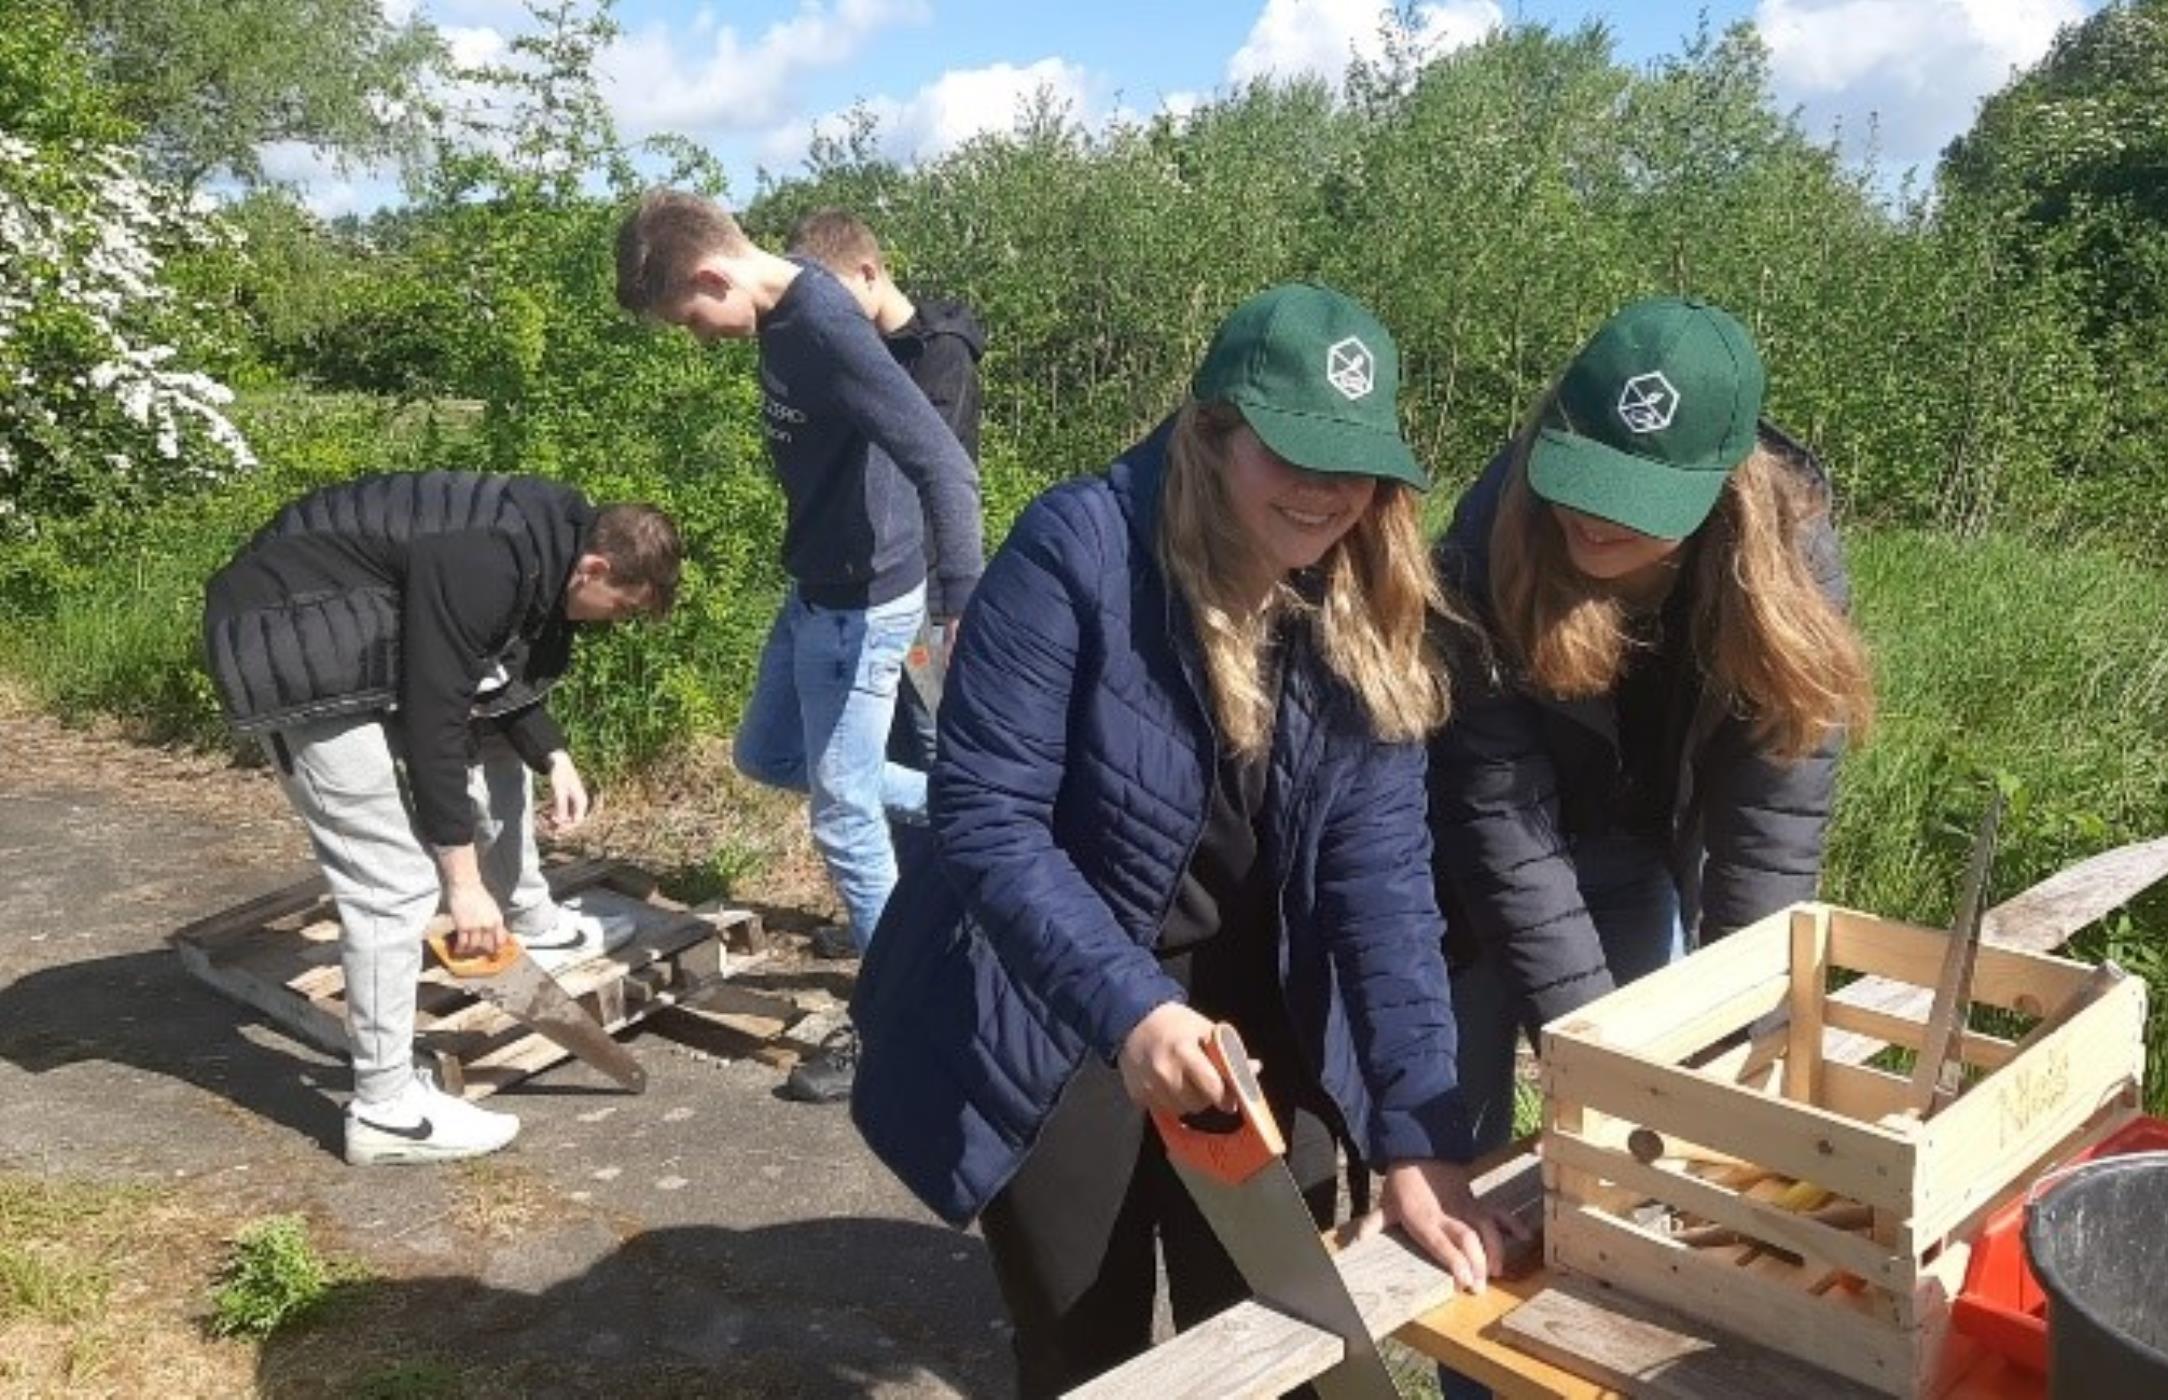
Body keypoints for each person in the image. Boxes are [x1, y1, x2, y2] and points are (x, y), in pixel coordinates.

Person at [849, 284, 1510, 1396]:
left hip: (1258, 1017)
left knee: (1276, 1335)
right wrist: (1130, 1008)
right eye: (1288, 452)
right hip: (1058, 1002)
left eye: (1350, 462)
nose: (1321, 492)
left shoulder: (1365, 598)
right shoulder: (1078, 547)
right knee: (1083, 1343)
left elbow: (1383, 887)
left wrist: (1417, 1133)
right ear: (1209, 433)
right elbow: (984, 813)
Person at [1429, 297, 1876, 1155]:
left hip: (1640, 852)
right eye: (1581, 479)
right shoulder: (1491, 541)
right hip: (1468, 874)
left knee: (1664, 1112)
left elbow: (1768, 835)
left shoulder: (1792, 568)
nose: (1592, 518)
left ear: (1724, 487)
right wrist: (1596, 1063)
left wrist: (1751, 1028)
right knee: (1471, 1144)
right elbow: (1498, 818)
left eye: (1636, 498)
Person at [201, 470, 680, 1166]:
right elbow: (435, 715)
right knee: (392, 883)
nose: (616, 621)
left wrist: (553, 754)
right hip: (289, 636)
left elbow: (478, 666)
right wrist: (461, 882)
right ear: (597, 566)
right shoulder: (489, 556)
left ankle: (530, 921)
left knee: (492, 753)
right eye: (621, 606)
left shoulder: (541, 541)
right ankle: (386, 1112)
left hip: (347, 622)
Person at [612, 190, 983, 979]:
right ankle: (976, 808)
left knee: (842, 818)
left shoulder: (823, 326)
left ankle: (901, 1009)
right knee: (769, 754)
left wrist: (959, 607)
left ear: (714, 277)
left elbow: (944, 465)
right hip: (812, 586)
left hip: (864, 603)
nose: (697, 340)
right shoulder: (783, 310)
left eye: (688, 320)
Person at [788, 206, 989, 778]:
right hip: (872, 575)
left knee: (934, 730)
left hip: (922, 574)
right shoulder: (851, 347)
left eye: (834, 297)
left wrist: (952, 598)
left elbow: (935, 472)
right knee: (892, 737)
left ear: (871, 273)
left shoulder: (940, 355)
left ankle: (954, 855)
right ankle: (909, 859)